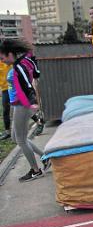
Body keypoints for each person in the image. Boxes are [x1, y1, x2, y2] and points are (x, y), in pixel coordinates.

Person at [0, 39, 50, 182]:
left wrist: (33, 102)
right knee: (16, 138)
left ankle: (36, 170)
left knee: (21, 140)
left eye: (3, 58)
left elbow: (28, 85)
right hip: (18, 105)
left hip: (23, 105)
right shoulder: (25, 61)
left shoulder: (19, 66)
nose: (2, 61)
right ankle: (45, 158)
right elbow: (36, 74)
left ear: (10, 54)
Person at [0, 61, 11, 140]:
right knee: (5, 111)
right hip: (4, 90)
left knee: (22, 105)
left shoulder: (6, 61)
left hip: (12, 88)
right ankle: (8, 132)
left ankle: (37, 120)